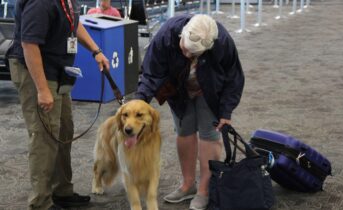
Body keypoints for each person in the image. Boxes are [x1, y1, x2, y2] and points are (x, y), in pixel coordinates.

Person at [6, 0, 110, 209]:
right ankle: (41, 202)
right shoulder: (41, 2)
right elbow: (29, 44)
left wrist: (95, 50)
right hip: (35, 72)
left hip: (57, 69)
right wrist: (43, 90)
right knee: (44, 137)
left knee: (63, 131)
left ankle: (61, 191)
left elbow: (74, 23)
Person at [135, 14, 245, 210]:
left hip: (210, 91)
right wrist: (139, 100)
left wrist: (226, 112)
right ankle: (187, 185)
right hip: (179, 91)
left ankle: (204, 189)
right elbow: (151, 71)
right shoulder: (166, 34)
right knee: (184, 132)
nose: (187, 54)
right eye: (184, 48)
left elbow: (234, 77)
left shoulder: (222, 41)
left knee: (209, 135)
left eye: (194, 53)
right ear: (182, 35)